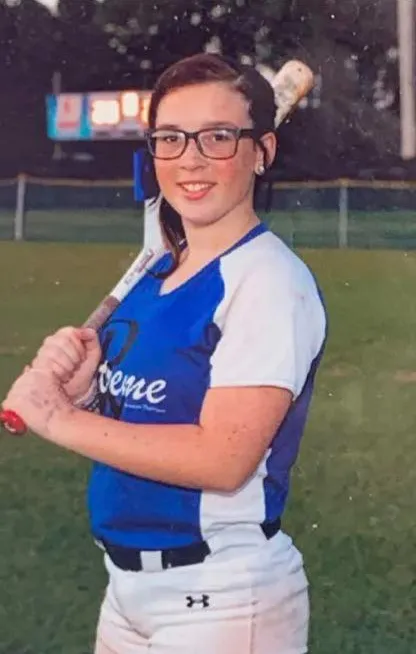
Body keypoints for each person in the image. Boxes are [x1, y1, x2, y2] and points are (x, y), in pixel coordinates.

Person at [3, 53, 327, 654]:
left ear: (263, 152)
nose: (192, 159)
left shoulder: (268, 283)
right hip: (127, 593)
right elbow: (152, 416)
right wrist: (89, 395)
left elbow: (221, 459)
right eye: (171, 139)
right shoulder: (160, 272)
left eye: (219, 137)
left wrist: (58, 417)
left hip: (223, 601)